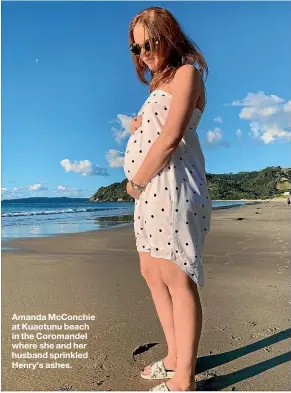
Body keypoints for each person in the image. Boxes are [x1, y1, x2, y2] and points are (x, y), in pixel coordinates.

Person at [123, 6, 212, 391]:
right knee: (152, 271)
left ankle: (184, 382)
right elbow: (155, 130)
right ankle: (175, 356)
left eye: (149, 41)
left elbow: (171, 137)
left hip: (171, 187)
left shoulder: (187, 73)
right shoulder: (157, 87)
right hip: (151, 191)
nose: (143, 51)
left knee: (178, 277)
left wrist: (137, 183)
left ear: (168, 36)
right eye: (135, 47)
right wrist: (138, 126)